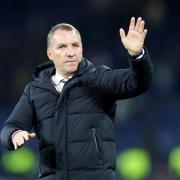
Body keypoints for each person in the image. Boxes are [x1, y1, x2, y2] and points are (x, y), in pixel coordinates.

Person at [1, 17, 154, 180]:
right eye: (62, 46)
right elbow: (10, 127)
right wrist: (14, 134)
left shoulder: (98, 79)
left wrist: (137, 55)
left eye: (75, 45)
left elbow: (137, 83)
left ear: (81, 49)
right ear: (50, 53)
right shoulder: (35, 90)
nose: (70, 52)